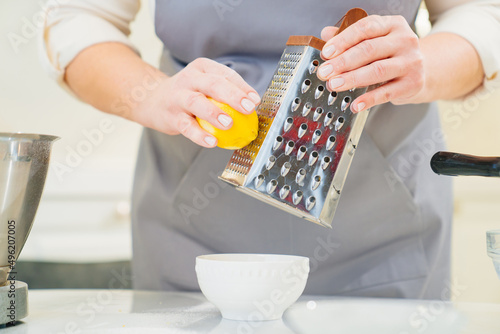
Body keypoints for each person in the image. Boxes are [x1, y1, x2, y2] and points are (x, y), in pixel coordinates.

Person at [40, 1, 500, 299]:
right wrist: (151, 94)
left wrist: (424, 65)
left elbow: (478, 14)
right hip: (195, 224)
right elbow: (77, 17)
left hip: (379, 225)